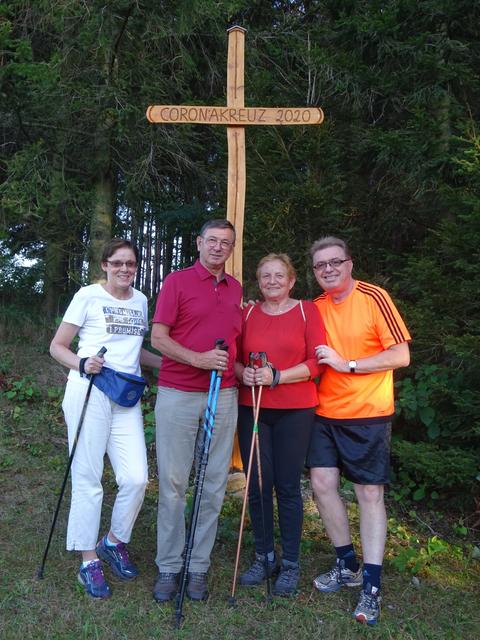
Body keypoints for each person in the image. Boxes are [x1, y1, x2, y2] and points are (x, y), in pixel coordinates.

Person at [50, 238, 162, 599]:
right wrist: (82, 363)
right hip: (89, 392)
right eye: (118, 263)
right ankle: (88, 561)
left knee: (136, 478)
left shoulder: (142, 300)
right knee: (88, 477)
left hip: (125, 398)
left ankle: (113, 541)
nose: (125, 269)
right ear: (104, 265)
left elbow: (136, 351)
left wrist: (178, 364)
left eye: (130, 263)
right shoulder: (88, 296)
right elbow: (58, 346)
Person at [307, 236, 411, 625]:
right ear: (314, 272)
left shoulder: (373, 296)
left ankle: (371, 586)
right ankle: (347, 564)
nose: (329, 269)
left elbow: (400, 355)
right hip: (323, 413)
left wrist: (347, 363)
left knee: (369, 493)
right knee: (321, 484)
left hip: (368, 413)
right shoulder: (314, 307)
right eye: (321, 265)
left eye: (336, 262)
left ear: (350, 263)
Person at [151, 219, 242, 603]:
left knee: (213, 484)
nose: (219, 248)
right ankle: (170, 565)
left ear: (231, 249)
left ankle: (198, 566)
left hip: (224, 396)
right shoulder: (177, 281)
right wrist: (199, 360)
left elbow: (234, 346)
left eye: (226, 243)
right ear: (199, 242)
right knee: (173, 484)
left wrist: (244, 371)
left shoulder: (237, 289)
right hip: (178, 393)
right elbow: (158, 338)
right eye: (213, 241)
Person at [235, 253, 326, 596]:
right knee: (257, 484)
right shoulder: (247, 312)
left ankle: (290, 563)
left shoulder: (306, 310)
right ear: (259, 282)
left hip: (295, 410)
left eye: (279, 276)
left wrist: (277, 377)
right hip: (253, 409)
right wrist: (245, 373)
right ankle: (264, 556)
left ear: (291, 281)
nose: (272, 281)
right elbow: (235, 359)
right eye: (265, 276)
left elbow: (316, 362)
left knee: (287, 486)